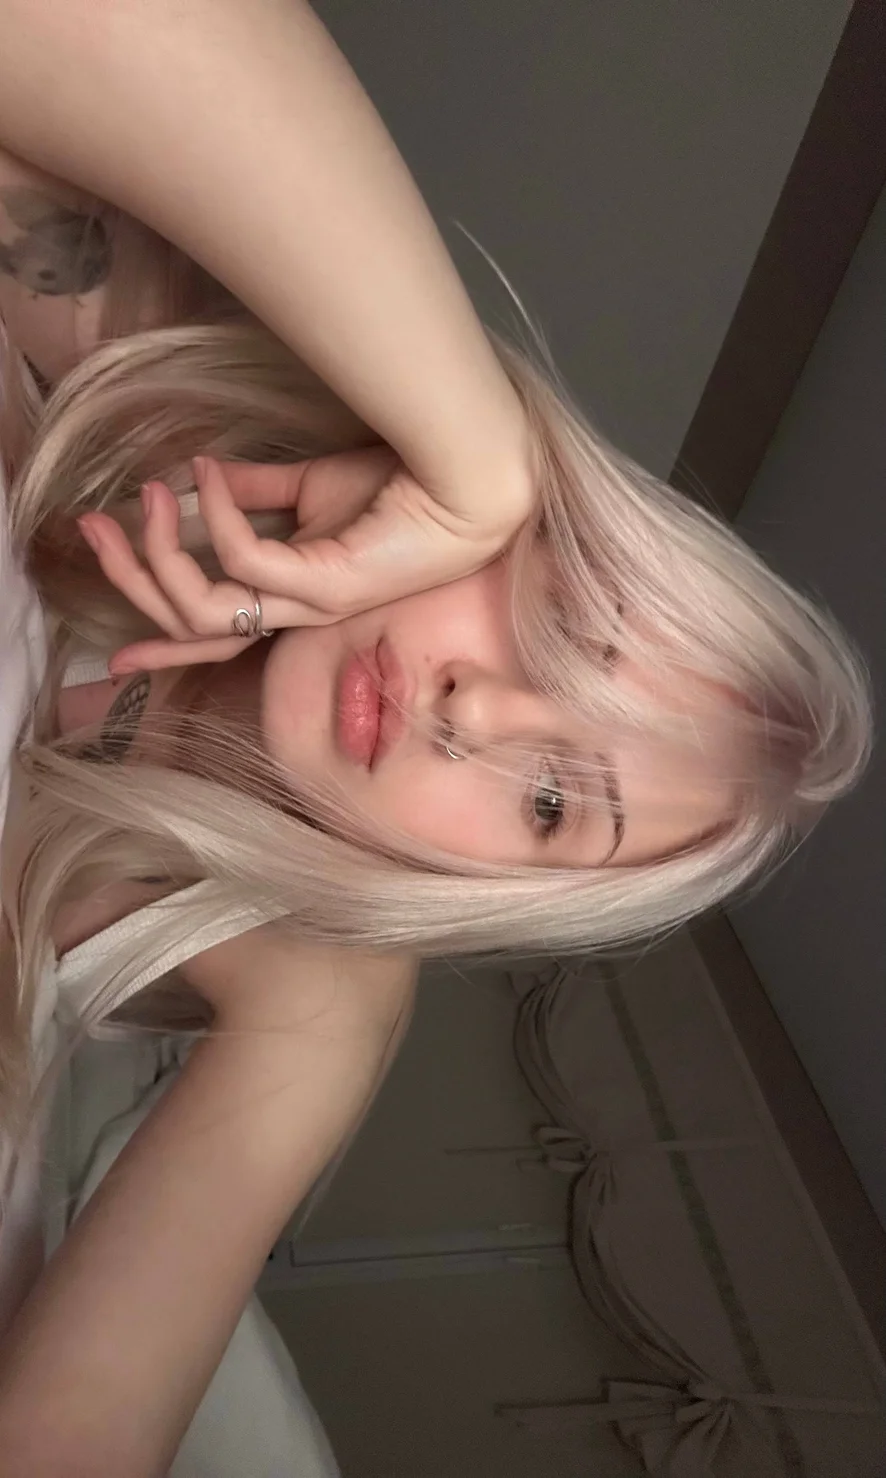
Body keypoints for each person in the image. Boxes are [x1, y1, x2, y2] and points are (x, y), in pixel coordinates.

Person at [0, 2, 873, 1473]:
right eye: (560, 622)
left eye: (551, 801)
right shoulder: (168, 380)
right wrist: (466, 448)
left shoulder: (321, 986)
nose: (476, 715)